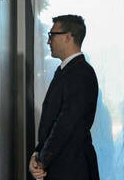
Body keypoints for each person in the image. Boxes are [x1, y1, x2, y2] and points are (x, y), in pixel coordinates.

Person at [29, 14, 99, 180]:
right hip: (63, 166)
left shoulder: (81, 72)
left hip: (73, 169)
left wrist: (42, 160)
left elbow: (66, 123)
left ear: (68, 37)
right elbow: (52, 123)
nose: (48, 41)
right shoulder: (65, 71)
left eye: (52, 35)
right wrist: (37, 153)